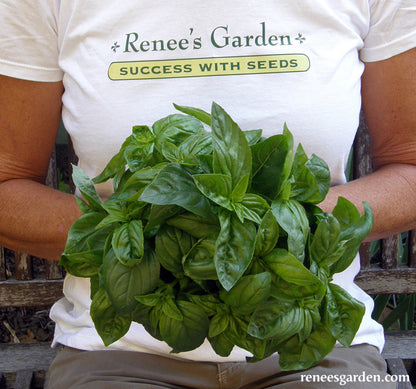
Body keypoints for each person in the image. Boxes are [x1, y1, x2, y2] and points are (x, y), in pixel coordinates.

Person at [0, 1, 415, 388]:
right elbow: (8, 186)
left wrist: (279, 229)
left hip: (312, 342)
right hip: (120, 349)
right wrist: (155, 235)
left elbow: (409, 168)